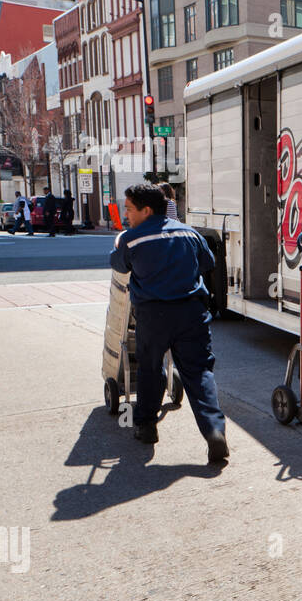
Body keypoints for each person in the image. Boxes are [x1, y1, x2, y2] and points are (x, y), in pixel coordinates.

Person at [109, 183, 229, 462]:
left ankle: (147, 426)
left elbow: (119, 265)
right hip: (191, 313)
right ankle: (214, 430)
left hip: (153, 316)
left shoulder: (132, 239)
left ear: (146, 210)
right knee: (199, 373)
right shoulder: (189, 232)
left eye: (128, 208)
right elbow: (207, 263)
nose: (125, 214)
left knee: (150, 368)